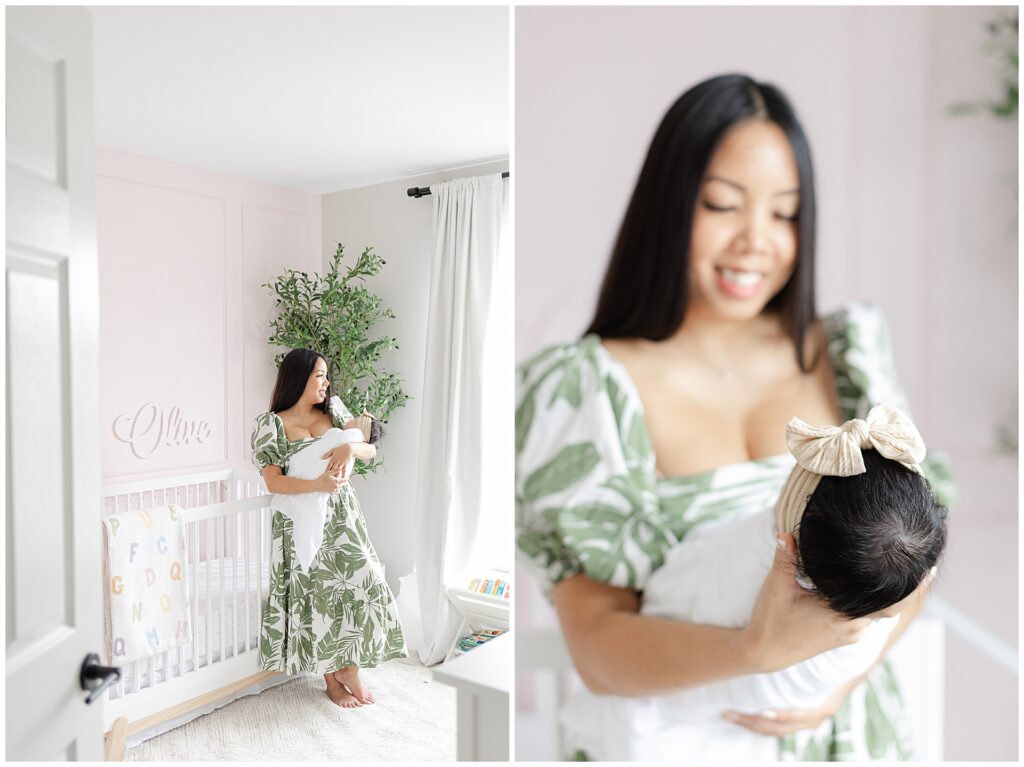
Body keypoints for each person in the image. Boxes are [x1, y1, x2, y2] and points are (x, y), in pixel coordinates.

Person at [515, 74, 955, 759]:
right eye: (723, 204)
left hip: (850, 736)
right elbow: (599, 650)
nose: (757, 241)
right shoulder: (581, 387)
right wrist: (756, 650)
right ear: (668, 204)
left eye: (785, 213)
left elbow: (916, 556)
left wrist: (840, 683)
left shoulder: (848, 352)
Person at [559, 404, 948, 760]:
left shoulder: (836, 637)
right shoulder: (880, 595)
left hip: (678, 711)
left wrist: (832, 688)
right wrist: (754, 649)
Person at [251, 348, 406, 709]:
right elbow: (273, 481)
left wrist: (350, 451)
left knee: (366, 581)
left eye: (326, 376)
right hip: (299, 519)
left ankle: (350, 667)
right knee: (317, 596)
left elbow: (371, 449)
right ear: (299, 377)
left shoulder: (334, 410)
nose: (326, 382)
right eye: (319, 375)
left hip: (341, 513)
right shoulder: (270, 424)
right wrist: (316, 486)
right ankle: (331, 680)